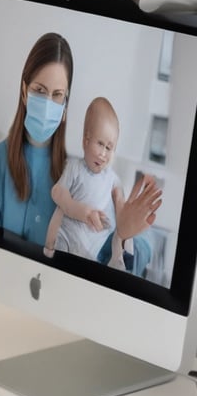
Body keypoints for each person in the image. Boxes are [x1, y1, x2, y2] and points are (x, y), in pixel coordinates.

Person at [0, 32, 161, 268]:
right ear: (24, 91)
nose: (48, 102)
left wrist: (125, 235)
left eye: (57, 95)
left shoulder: (78, 171)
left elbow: (142, 245)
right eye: (39, 91)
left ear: (65, 103)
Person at [43, 97, 134, 270]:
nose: (103, 154)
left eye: (109, 148)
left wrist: (126, 235)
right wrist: (82, 212)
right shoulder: (75, 167)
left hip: (90, 252)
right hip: (65, 240)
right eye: (99, 144)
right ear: (86, 141)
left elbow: (121, 207)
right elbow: (57, 192)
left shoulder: (113, 179)